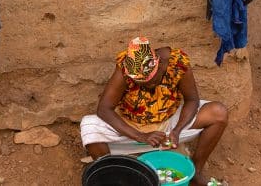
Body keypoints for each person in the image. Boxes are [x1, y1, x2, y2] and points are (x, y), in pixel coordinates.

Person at [80, 37, 228, 186]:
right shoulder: (125, 68)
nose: (149, 85)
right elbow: (104, 109)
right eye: (141, 83)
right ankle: (116, 176)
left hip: (169, 125)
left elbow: (192, 99)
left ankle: (195, 172)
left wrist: (177, 130)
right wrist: (140, 136)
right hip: (131, 128)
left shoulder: (176, 62)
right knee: (89, 127)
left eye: (152, 80)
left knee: (218, 113)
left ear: (158, 64)